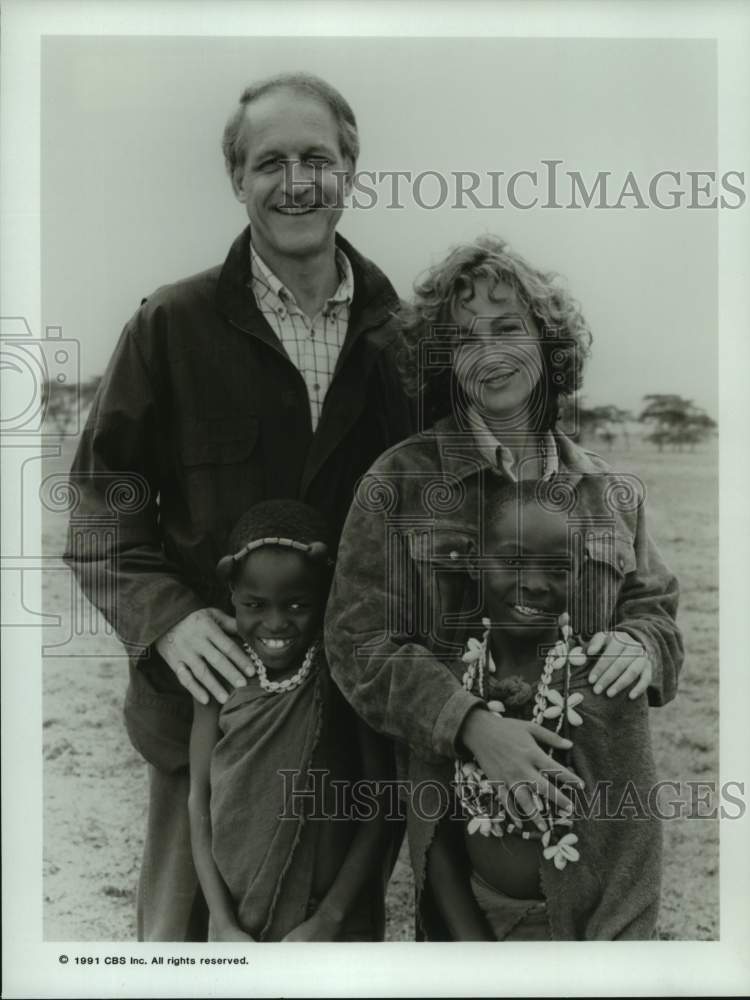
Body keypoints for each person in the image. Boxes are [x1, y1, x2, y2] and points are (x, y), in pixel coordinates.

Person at [63, 72, 412, 941]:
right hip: (200, 723)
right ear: (237, 179)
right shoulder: (169, 325)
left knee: (333, 945)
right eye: (270, 163)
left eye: (316, 159)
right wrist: (170, 619)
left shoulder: (403, 336)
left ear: (351, 169)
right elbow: (103, 510)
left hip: (348, 723)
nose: (295, 183)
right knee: (185, 945)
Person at [324, 234, 684, 939]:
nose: (489, 353)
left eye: (508, 327)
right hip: (471, 865)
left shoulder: (607, 491)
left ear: (548, 343)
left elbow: (657, 610)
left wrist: (644, 643)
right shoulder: (399, 482)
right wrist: (470, 725)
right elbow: (356, 642)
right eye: (462, 339)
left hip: (609, 859)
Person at [419, 487, 664, 940]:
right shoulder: (452, 685)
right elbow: (432, 833)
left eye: (556, 568)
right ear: (474, 562)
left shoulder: (602, 685)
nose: (534, 582)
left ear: (579, 574)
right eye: (512, 562)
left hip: (581, 937)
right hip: (474, 923)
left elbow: (635, 851)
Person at [188, 499, 392, 941]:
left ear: (325, 596)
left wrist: (331, 918)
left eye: (297, 605)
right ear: (232, 596)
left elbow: (382, 803)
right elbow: (198, 803)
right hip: (236, 921)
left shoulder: (343, 676)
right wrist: (222, 924)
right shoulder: (221, 674)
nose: (275, 623)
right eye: (255, 605)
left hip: (331, 926)